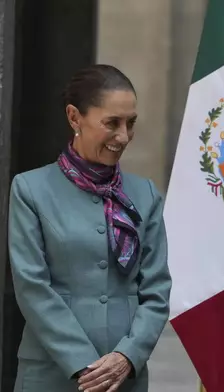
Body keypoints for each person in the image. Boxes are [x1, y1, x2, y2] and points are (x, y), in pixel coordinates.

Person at [8, 64, 172, 392]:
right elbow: (32, 288)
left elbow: (156, 292)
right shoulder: (30, 190)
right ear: (74, 117)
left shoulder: (146, 195)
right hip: (51, 376)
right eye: (112, 123)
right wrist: (86, 365)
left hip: (124, 379)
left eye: (131, 123)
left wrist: (128, 356)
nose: (123, 136)